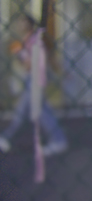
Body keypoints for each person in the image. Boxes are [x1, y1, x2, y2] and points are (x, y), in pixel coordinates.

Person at [0, 15, 67, 156]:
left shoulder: (33, 40)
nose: (20, 25)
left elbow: (33, 63)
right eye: (19, 22)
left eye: (23, 22)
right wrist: (19, 54)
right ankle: (58, 139)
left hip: (35, 79)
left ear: (30, 24)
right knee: (35, 110)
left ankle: (7, 137)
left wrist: (19, 53)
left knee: (33, 111)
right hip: (31, 78)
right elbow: (26, 64)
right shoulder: (25, 40)